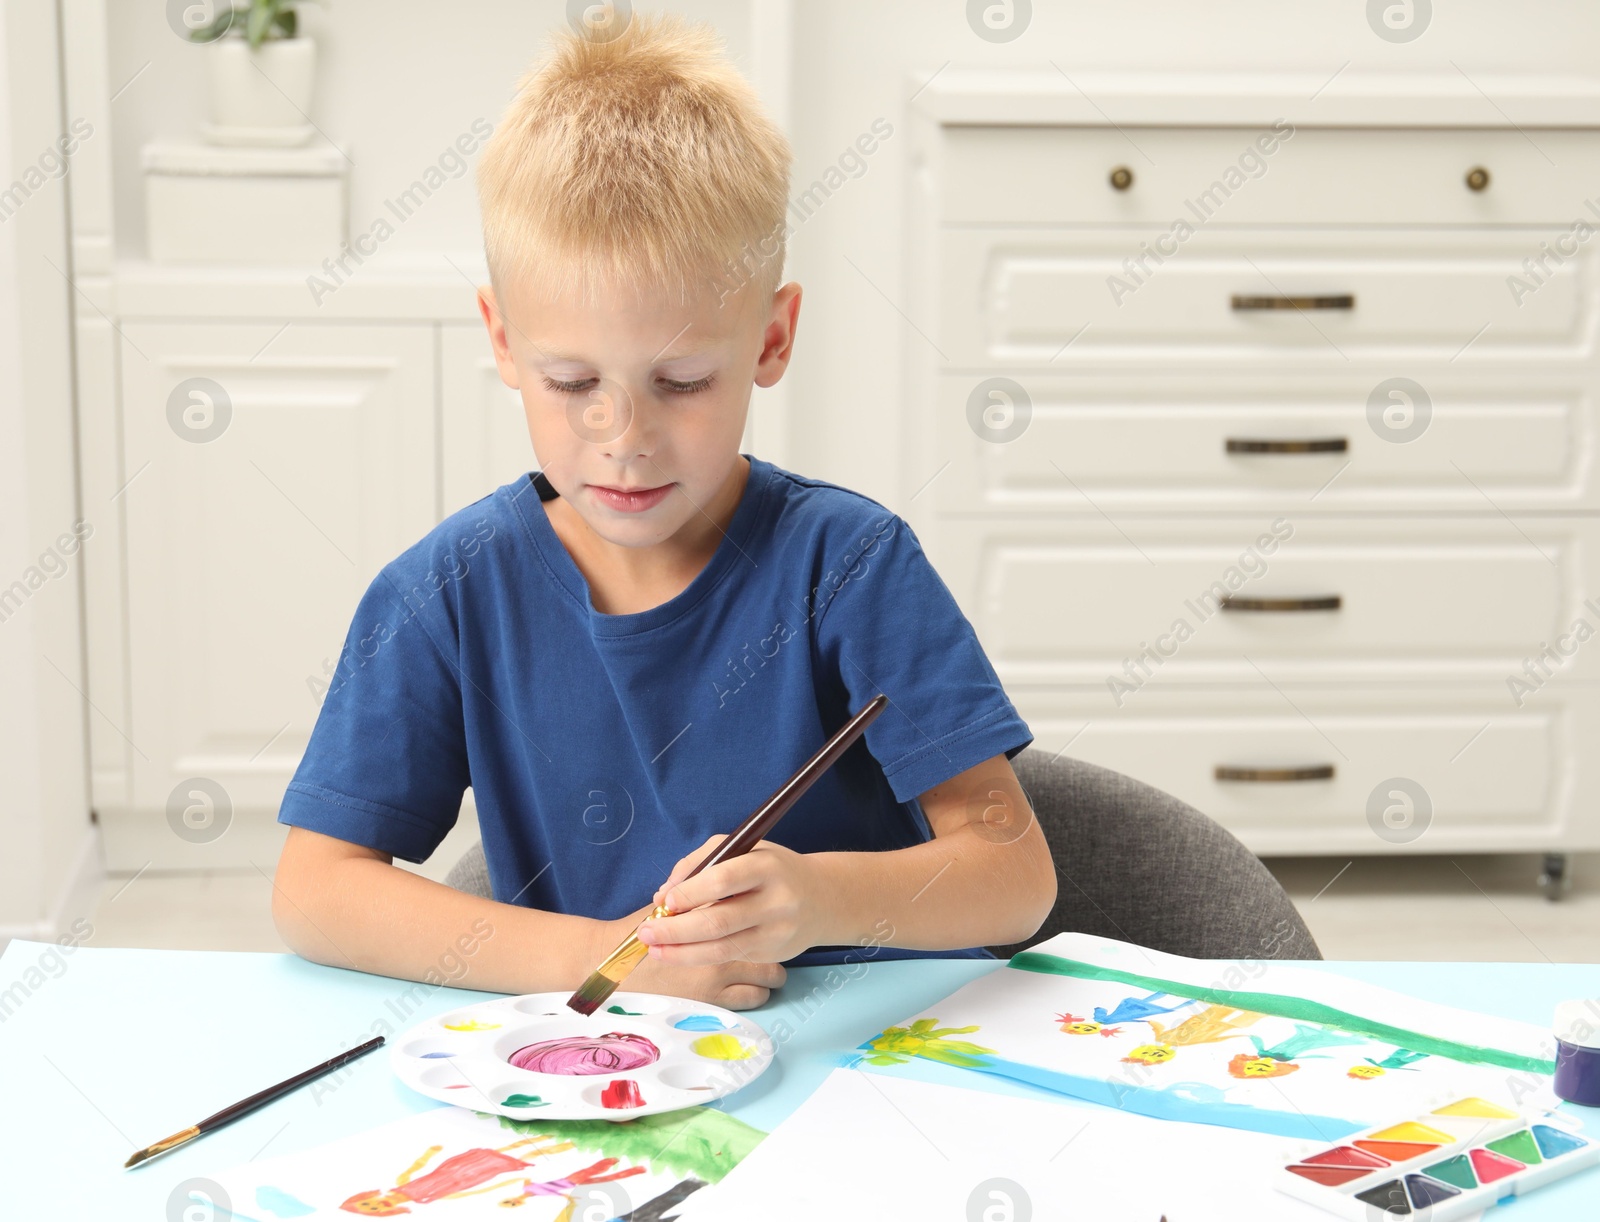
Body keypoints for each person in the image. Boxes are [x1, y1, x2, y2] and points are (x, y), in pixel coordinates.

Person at [271, 10, 1055, 1010]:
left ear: (771, 340)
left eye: (680, 380)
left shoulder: (850, 564)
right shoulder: (446, 594)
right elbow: (314, 892)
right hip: (620, 1083)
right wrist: (605, 954)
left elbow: (1015, 875)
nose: (623, 434)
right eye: (569, 379)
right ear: (502, 343)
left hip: (878, 1078)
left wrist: (816, 898)